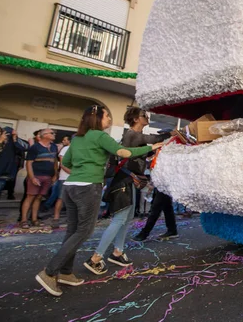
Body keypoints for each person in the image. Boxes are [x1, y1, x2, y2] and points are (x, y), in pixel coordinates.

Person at [35, 105, 162, 297]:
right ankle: (49, 272)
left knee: (72, 231)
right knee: (84, 231)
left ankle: (66, 272)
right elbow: (124, 153)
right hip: (88, 187)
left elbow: (66, 163)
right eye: (106, 117)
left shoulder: (77, 139)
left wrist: (82, 169)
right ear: (96, 119)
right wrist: (151, 147)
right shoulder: (100, 136)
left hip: (71, 187)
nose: (109, 120)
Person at [83, 107, 168, 275]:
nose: (147, 118)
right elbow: (151, 138)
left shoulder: (135, 136)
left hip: (129, 181)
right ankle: (95, 258)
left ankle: (117, 252)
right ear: (136, 119)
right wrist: (174, 133)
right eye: (144, 116)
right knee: (120, 219)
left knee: (127, 218)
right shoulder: (131, 134)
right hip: (124, 180)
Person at [20, 129, 59, 228]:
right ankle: (24, 220)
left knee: (39, 197)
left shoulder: (54, 147)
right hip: (36, 175)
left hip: (48, 176)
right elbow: (29, 163)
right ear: (44, 135)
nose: (54, 134)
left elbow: (54, 161)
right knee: (30, 197)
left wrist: (55, 174)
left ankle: (34, 219)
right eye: (51, 133)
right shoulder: (35, 147)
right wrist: (32, 177)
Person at [0, 127, 28, 226]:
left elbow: (23, 148)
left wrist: (15, 138)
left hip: (0, 174)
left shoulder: (6, 143)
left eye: (0, 131)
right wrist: (0, 141)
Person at [43, 136, 71, 228]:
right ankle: (56, 218)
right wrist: (72, 172)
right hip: (65, 177)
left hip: (77, 178)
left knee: (74, 199)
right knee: (61, 198)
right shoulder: (66, 149)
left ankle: (71, 218)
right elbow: (62, 163)